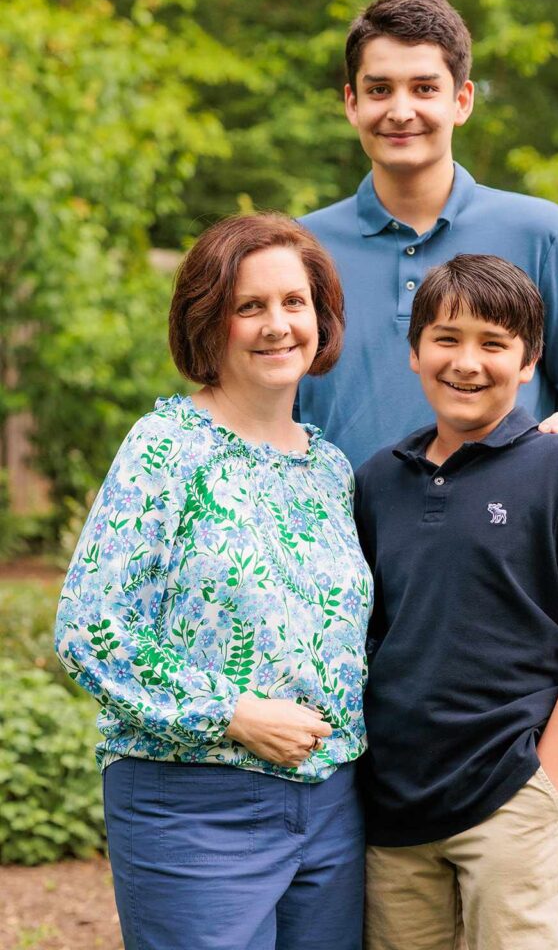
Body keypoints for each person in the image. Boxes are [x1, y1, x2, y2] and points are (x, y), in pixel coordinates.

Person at [54, 214, 372, 950]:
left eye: (294, 303)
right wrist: (229, 711)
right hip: (192, 805)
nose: (277, 325)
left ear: (320, 318)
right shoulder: (164, 448)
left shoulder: (328, 468)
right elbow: (89, 630)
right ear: (209, 322)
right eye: (249, 307)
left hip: (330, 807)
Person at [354, 254, 558, 950]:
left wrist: (548, 779)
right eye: (447, 339)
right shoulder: (377, 481)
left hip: (513, 792)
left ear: (528, 362)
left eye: (493, 343)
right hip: (396, 808)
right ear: (414, 352)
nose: (467, 362)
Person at [298, 0, 558, 469]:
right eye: (379, 89)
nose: (400, 110)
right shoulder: (301, 248)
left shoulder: (542, 233)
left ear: (463, 100)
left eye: (425, 88)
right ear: (352, 103)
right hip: (336, 541)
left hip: (499, 539)